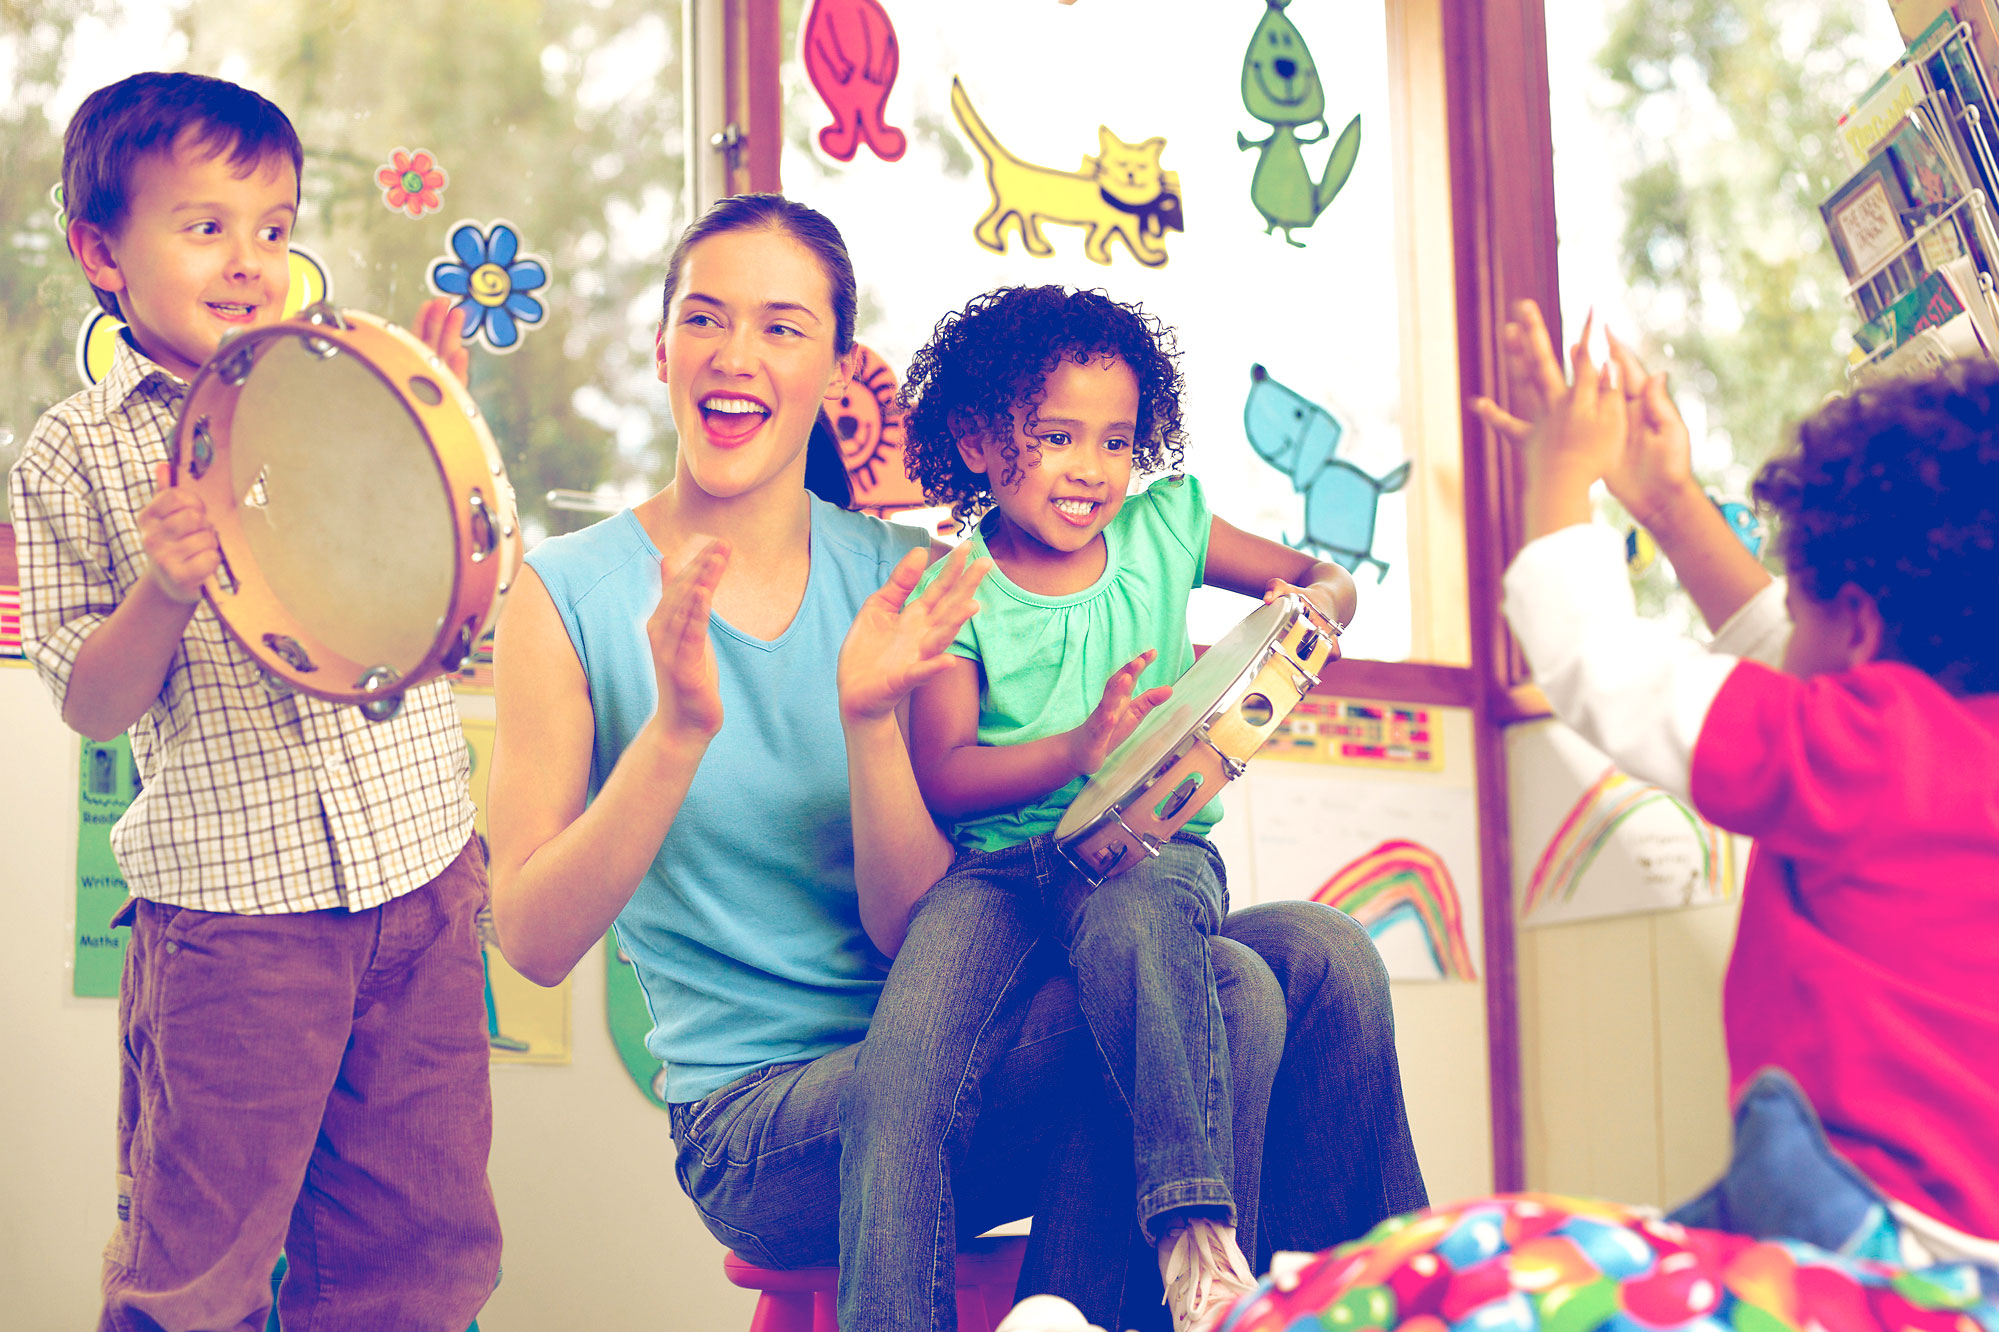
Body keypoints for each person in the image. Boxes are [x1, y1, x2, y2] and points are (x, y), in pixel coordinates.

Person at [485, 193, 1426, 1332]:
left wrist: (1085, 757)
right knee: (1225, 990)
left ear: (836, 364)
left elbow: (930, 909)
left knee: (1321, 956)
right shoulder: (567, 594)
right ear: (663, 345)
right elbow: (531, 943)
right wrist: (677, 735)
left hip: (982, 1030)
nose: (736, 357)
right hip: (772, 1122)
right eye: (704, 319)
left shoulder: (928, 581)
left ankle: (1379, 1306)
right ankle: (1086, 1309)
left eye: (782, 326)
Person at [10, 72, 499, 1331]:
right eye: (207, 224)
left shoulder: (344, 379)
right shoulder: (75, 447)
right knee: (199, 1265)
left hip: (420, 882)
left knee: (420, 1253)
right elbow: (92, 703)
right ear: (99, 251)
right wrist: (166, 587)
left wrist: (430, 446)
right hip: (237, 924)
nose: (250, 262)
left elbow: (441, 602)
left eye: (276, 229)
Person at [1475, 300, 1999, 1268]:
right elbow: (1794, 675)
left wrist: (1556, 479)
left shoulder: (1865, 749)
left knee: (1528, 1262)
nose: (1782, 636)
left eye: (1799, 607)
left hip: (1865, 1224)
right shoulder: (1936, 747)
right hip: (1978, 1246)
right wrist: (1669, 508)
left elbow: (1599, 665)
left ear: (1860, 627)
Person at [874, 285, 1357, 1332]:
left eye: (1115, 440)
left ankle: (1196, 1236)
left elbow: (1321, 579)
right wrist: (1073, 750)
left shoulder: (1166, 529)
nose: (1090, 469)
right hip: (998, 872)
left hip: (1150, 846)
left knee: (1146, 922)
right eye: (1054, 437)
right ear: (973, 437)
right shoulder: (951, 590)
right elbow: (945, 774)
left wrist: (1314, 608)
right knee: (903, 1069)